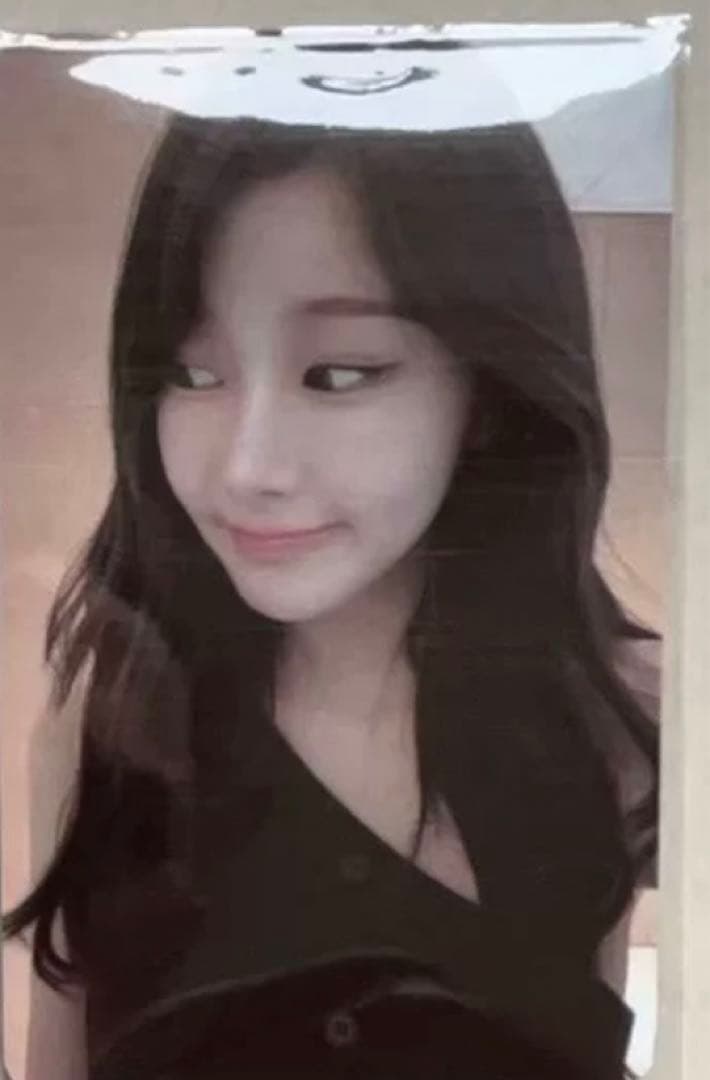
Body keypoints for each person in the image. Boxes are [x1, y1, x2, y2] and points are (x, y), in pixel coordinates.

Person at [3, 112, 660, 1079]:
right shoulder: (115, 713)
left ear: (488, 388)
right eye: (191, 372)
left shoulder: (623, 718)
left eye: (340, 373)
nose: (247, 466)